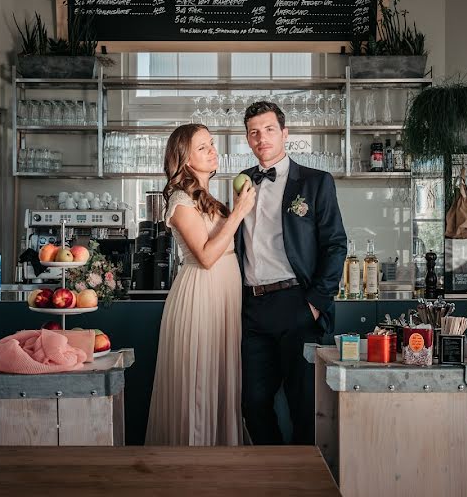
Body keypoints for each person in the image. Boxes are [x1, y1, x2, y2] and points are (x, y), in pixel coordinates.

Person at [235, 101, 347, 445]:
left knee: (304, 406)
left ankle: (304, 481)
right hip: (253, 309)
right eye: (254, 132)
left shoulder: (315, 182)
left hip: (298, 304)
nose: (261, 138)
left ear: (285, 134)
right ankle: (272, 474)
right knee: (252, 404)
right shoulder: (242, 185)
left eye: (269, 129)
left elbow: (335, 245)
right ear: (248, 139)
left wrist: (314, 303)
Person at [145, 123, 256, 446]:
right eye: (203, 147)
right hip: (200, 297)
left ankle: (220, 457)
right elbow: (206, 256)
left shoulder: (207, 198)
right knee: (200, 381)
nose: (213, 151)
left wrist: (234, 208)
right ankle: (194, 463)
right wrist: (238, 213)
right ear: (185, 159)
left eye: (211, 144)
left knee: (219, 380)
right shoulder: (180, 201)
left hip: (223, 297)